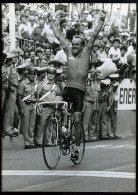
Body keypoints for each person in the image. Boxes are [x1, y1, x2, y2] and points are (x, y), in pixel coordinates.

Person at [47, 10, 107, 160]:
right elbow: (59, 36)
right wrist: (51, 21)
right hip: (68, 88)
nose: (73, 46)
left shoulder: (86, 52)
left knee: (77, 120)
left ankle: (77, 149)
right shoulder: (68, 51)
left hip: (80, 91)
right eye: (72, 44)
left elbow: (93, 35)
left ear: (82, 46)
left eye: (76, 44)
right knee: (56, 103)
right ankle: (62, 129)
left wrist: (102, 20)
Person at [35, 67, 58, 147]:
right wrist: (38, 105)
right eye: (49, 73)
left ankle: (47, 141)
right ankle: (39, 141)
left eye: (53, 74)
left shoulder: (55, 86)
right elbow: (37, 95)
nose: (51, 75)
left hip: (52, 107)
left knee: (50, 125)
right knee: (41, 124)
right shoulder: (42, 84)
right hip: (44, 106)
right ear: (47, 74)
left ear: (55, 75)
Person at [17, 67, 39, 149]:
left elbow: (37, 96)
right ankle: (26, 142)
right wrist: (21, 108)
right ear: (28, 75)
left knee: (32, 125)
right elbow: (19, 96)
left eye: (34, 74)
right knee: (25, 124)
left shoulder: (36, 84)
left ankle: (31, 141)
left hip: (33, 105)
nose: (32, 76)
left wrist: (37, 104)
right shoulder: (23, 84)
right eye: (30, 74)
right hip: (25, 104)